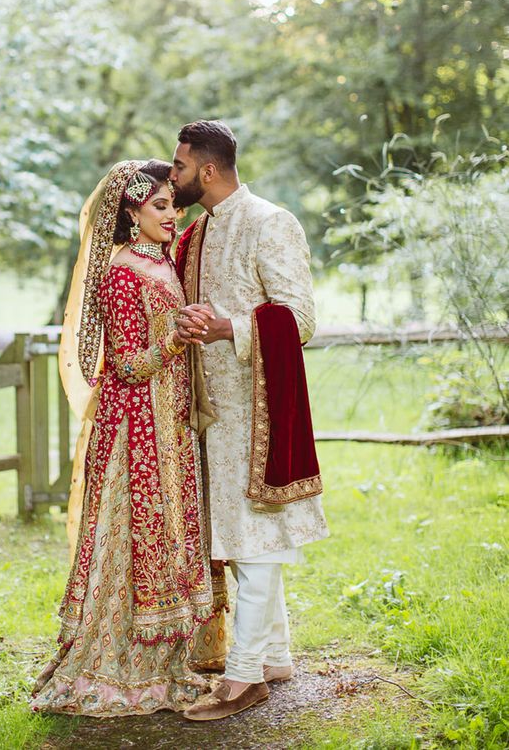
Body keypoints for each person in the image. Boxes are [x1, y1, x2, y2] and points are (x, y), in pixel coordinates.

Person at [30, 159, 226, 717]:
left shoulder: (159, 260)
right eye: (160, 205)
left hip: (169, 424)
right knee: (128, 540)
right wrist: (179, 338)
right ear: (130, 211)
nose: (172, 214)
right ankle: (113, 669)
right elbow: (129, 363)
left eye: (173, 204)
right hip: (134, 428)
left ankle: (166, 666)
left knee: (165, 537)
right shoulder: (122, 271)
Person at [170, 120, 329, 722]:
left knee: (255, 541)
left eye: (180, 165)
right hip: (210, 413)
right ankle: (275, 655)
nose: (175, 174)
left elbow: (301, 317)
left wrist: (228, 326)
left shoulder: (270, 222)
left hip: (258, 409)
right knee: (241, 542)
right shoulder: (198, 232)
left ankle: (242, 680)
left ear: (207, 170)